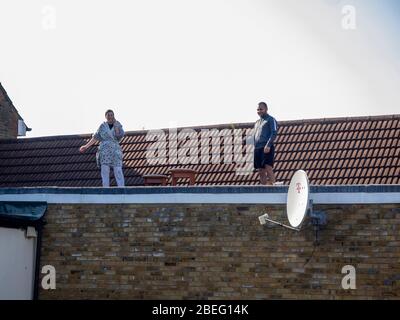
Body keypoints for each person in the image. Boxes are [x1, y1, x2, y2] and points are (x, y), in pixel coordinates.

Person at [79, 109, 125, 187]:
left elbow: (119, 137)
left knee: (118, 170)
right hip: (105, 150)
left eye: (111, 115)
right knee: (105, 170)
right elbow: (95, 137)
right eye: (108, 115)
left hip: (115, 150)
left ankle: (121, 188)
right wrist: (86, 146)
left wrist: (116, 127)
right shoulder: (102, 126)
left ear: (113, 116)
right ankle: (105, 188)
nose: (110, 116)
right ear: (105, 116)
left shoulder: (118, 124)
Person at [253, 102, 278, 185]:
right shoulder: (257, 122)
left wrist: (268, 145)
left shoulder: (271, 119)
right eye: (258, 109)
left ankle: (274, 187)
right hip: (257, 148)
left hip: (266, 147)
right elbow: (255, 136)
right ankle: (264, 187)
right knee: (260, 170)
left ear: (266, 109)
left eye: (261, 109)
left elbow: (274, 133)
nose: (259, 111)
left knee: (268, 167)